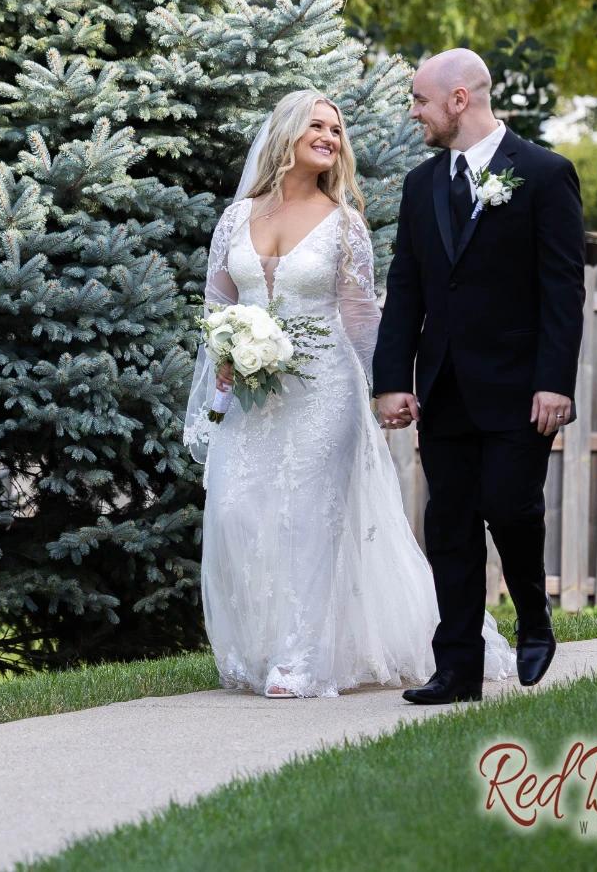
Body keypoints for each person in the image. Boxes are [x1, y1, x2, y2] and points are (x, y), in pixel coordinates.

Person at [184, 88, 514, 699]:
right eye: (317, 126)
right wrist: (225, 354)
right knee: (238, 511)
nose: (330, 138)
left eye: (335, 130)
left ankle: (300, 658)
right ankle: (257, 647)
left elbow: (363, 317)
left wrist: (385, 389)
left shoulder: (344, 224)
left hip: (323, 390)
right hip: (254, 397)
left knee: (311, 519)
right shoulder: (238, 217)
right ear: (285, 134)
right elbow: (219, 300)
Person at [374, 48, 586, 706]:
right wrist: (391, 377)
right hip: (444, 388)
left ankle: (534, 618)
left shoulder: (546, 176)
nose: (414, 112)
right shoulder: (420, 186)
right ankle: (458, 668)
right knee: (450, 526)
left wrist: (555, 381)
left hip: (521, 388)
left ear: (459, 100)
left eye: (419, 100)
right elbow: (406, 290)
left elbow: (562, 289)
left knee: (509, 506)